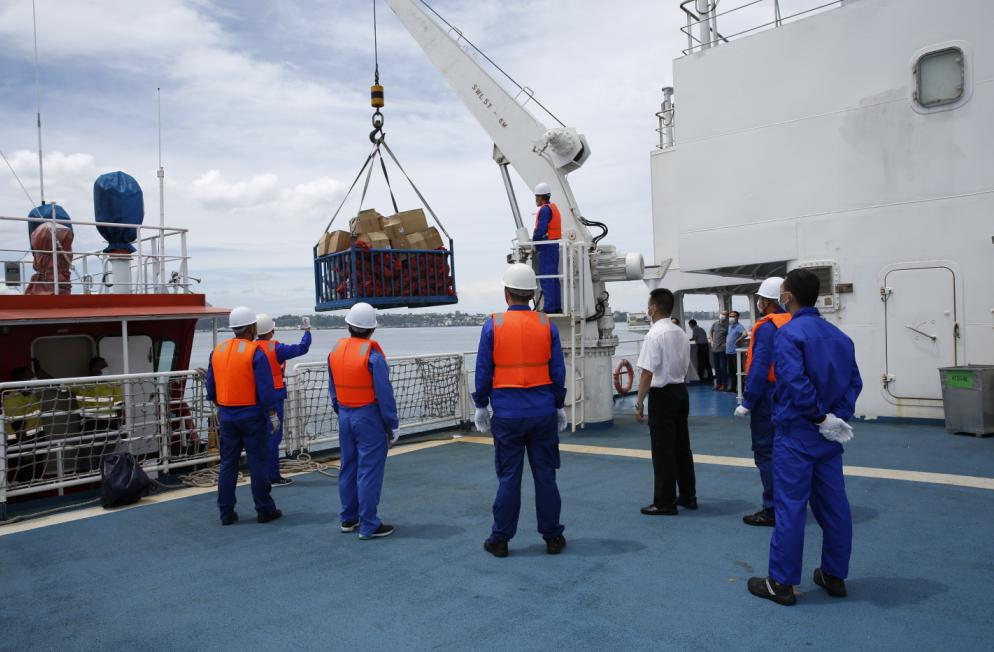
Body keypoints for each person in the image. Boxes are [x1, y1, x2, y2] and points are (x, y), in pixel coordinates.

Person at [748, 269, 863, 606]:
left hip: (797, 433)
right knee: (835, 508)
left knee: (791, 508)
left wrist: (818, 415)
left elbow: (794, 381)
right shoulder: (839, 337)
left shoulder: (788, 334)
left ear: (787, 296)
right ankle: (834, 574)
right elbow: (854, 382)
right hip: (828, 438)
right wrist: (836, 418)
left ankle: (780, 583)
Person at [473, 263, 568, 558]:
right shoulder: (546, 324)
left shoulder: (493, 325)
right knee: (546, 476)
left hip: (507, 415)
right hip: (542, 413)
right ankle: (552, 537)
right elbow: (558, 370)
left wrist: (480, 405)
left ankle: (500, 539)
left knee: (509, 478)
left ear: (506, 293)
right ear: (531, 294)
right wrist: (559, 405)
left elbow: (483, 371)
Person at [205, 306, 282, 526]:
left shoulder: (217, 350)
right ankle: (264, 509)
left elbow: (211, 388)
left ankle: (226, 513)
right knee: (258, 463)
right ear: (251, 328)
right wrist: (272, 414)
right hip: (252, 416)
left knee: (228, 464)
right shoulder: (254, 351)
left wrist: (224, 404)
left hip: (227, 415)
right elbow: (266, 391)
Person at [328, 302, 398, 540]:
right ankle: (369, 525)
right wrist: (392, 424)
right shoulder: (373, 356)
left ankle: (348, 519)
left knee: (348, 467)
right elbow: (385, 395)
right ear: (372, 330)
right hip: (368, 417)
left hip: (345, 415)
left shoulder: (335, 352)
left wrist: (342, 409)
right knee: (369, 471)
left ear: (349, 325)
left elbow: (333, 390)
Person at [634, 288, 696, 515]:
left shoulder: (654, 335)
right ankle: (688, 496)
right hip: (680, 391)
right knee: (682, 448)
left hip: (662, 396)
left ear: (653, 307)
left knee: (662, 450)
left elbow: (647, 373)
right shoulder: (680, 332)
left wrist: (639, 403)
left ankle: (664, 502)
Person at [733, 277, 789, 527]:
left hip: (768, 396)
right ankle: (790, 503)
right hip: (789, 393)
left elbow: (760, 365)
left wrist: (748, 401)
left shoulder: (767, 327)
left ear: (766, 301)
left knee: (766, 453)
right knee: (788, 452)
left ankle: (773, 509)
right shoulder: (792, 322)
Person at [255, 313, 312, 486]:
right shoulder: (276, 349)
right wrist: (307, 331)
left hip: (254, 399)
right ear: (271, 330)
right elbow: (302, 348)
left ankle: (261, 474)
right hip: (274, 398)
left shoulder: (251, 348)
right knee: (273, 437)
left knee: (259, 438)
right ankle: (273, 476)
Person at [72, 357, 123, 472]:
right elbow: (56, 383)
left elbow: (120, 406)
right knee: (88, 461)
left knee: (107, 461)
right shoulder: (82, 384)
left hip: (111, 427)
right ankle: (91, 486)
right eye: (102, 366)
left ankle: (104, 485)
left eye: (106, 366)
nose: (106, 369)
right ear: (93, 369)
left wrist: (123, 427)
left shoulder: (113, 383)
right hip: (89, 428)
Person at [3, 367, 45, 483]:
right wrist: (26, 451)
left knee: (36, 476)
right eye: (31, 377)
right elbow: (18, 429)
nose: (34, 379)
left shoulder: (29, 395)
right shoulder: (13, 400)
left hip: (36, 440)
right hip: (21, 445)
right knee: (25, 477)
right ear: (22, 380)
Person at [531, 181, 562, 314]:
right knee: (554, 278)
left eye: (537, 196)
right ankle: (556, 306)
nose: (536, 199)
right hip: (553, 245)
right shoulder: (553, 207)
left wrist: (534, 242)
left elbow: (541, 229)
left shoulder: (544, 209)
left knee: (546, 277)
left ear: (542, 197)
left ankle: (549, 308)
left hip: (546, 246)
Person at [725, 311, 747, 393]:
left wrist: (739, 339)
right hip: (728, 352)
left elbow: (745, 334)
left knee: (738, 371)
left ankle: (741, 389)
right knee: (731, 372)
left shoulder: (739, 326)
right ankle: (733, 388)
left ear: (737, 317)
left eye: (733, 316)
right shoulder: (730, 326)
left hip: (735, 353)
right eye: (730, 316)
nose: (731, 317)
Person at [709, 311, 729, 390]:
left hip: (722, 349)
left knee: (722, 367)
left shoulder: (727, 326)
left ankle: (724, 384)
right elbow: (710, 333)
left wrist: (726, 343)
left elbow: (730, 336)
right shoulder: (715, 324)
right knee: (716, 367)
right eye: (722, 314)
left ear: (727, 317)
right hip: (715, 349)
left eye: (724, 314)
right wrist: (711, 341)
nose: (722, 315)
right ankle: (718, 383)